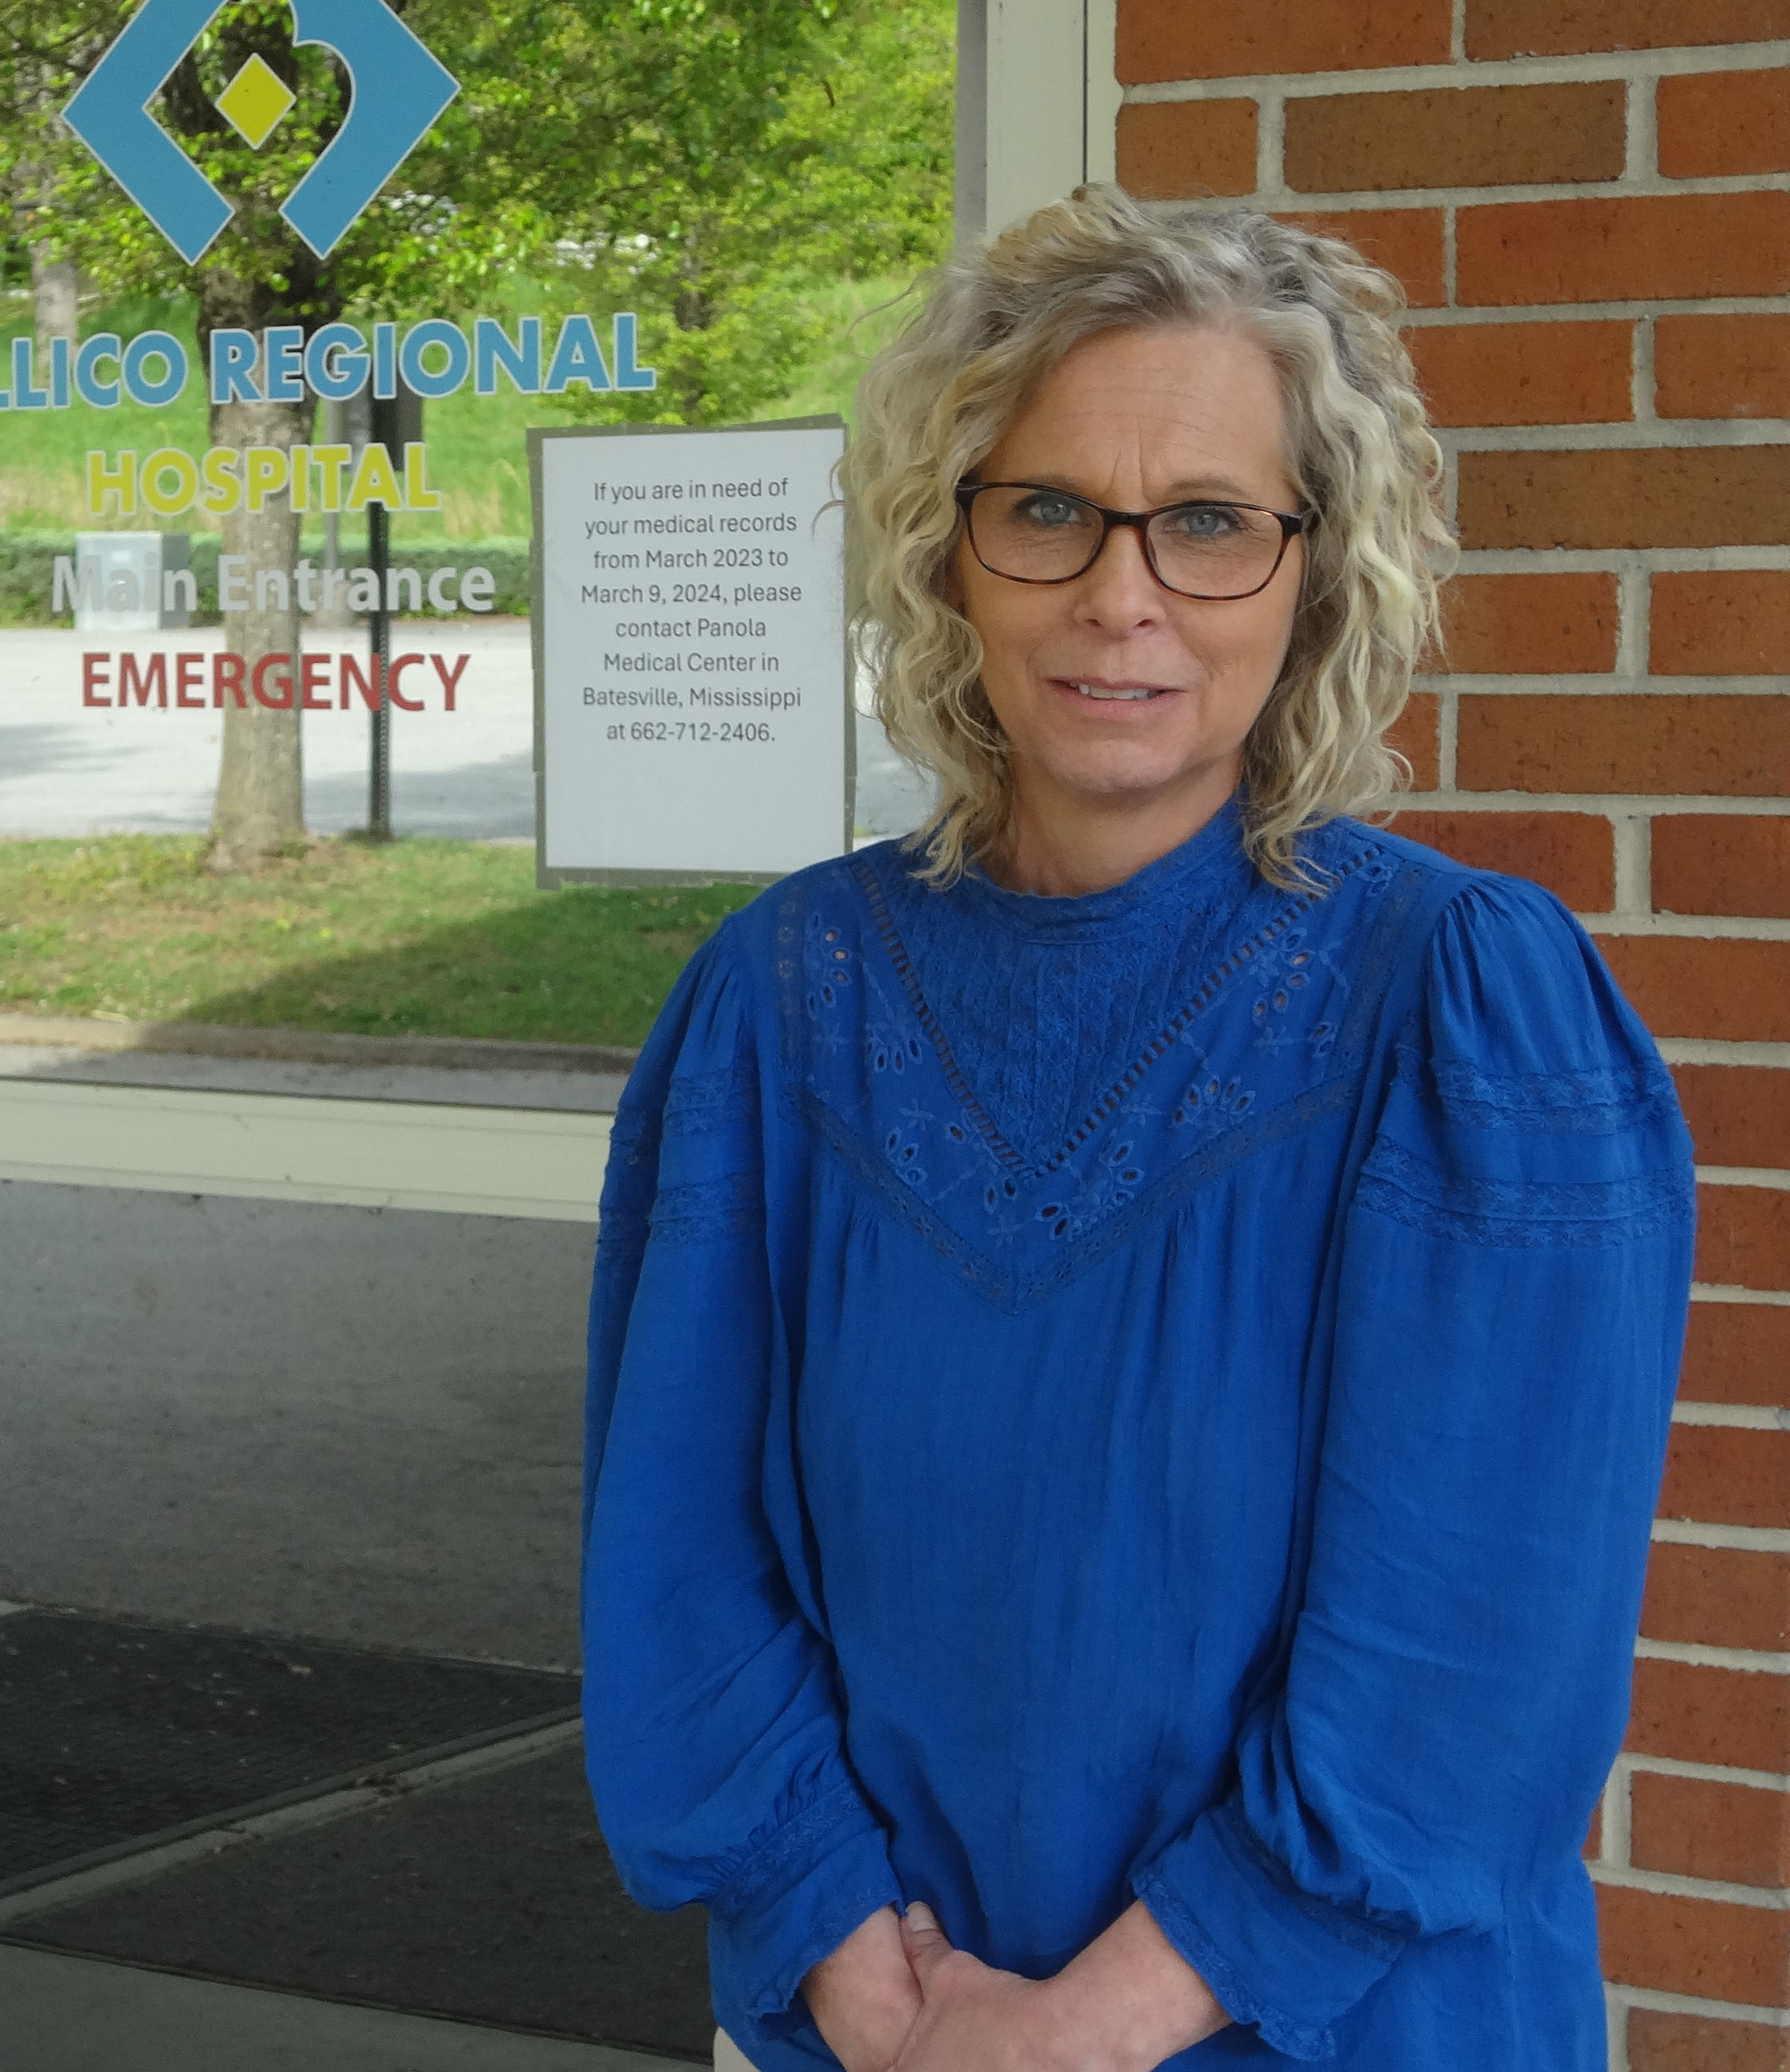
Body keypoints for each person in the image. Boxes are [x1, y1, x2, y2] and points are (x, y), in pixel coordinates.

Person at [580, 187, 1692, 2071]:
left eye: (1207, 523)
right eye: (1046, 510)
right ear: (950, 555)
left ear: (1316, 571)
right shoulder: (779, 1003)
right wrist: (869, 1979)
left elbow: (1474, 1666)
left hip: (1341, 2027)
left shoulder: (1461, 1006)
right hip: (883, 2024)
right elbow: (675, 1554)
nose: (1122, 595)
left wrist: (1077, 2032)